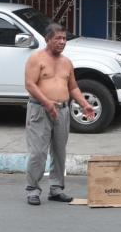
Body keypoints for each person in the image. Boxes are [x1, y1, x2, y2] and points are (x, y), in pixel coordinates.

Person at [24, 23, 95, 206]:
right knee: (38, 153)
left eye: (64, 38)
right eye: (58, 38)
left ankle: (56, 189)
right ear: (48, 39)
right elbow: (30, 84)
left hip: (62, 110)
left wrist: (85, 104)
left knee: (59, 152)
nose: (62, 42)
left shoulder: (66, 62)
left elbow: (73, 87)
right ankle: (33, 190)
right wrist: (47, 102)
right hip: (40, 110)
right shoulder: (36, 58)